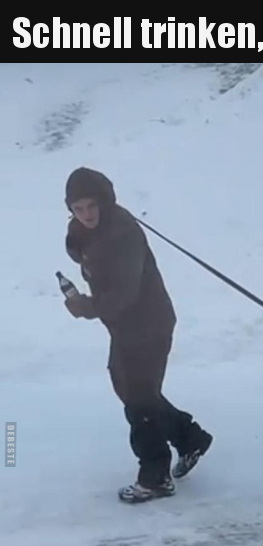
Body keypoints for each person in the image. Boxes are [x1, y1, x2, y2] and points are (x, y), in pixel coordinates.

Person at [63, 167, 213, 503]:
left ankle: (155, 476)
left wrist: (86, 306)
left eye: (91, 206)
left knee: (139, 400)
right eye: (78, 208)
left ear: (104, 202)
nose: (86, 215)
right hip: (124, 326)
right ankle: (189, 438)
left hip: (149, 324)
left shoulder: (123, 233)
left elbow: (125, 292)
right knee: (130, 390)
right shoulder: (83, 231)